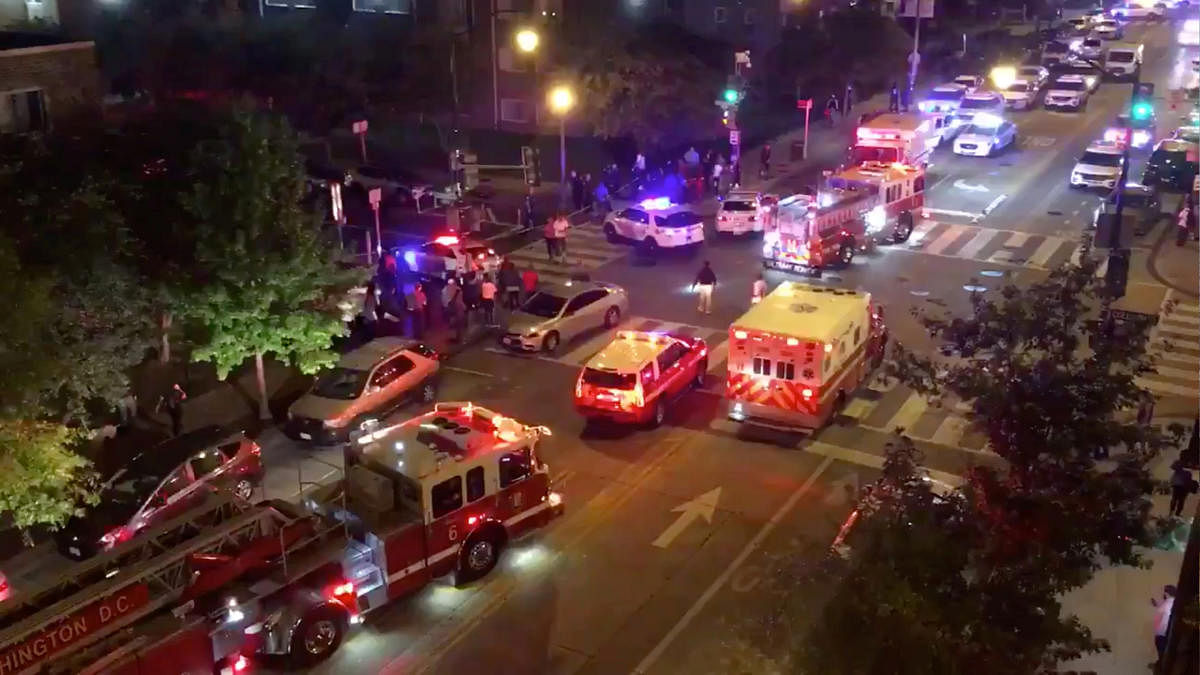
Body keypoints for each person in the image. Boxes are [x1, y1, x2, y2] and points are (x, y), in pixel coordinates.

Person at [1152, 585, 1176, 661]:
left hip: (1163, 633)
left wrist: (1160, 631)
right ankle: (1161, 664)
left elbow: (1166, 618)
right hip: (1165, 633)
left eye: (1164, 591)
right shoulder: (1169, 602)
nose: (1163, 593)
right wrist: (1155, 604)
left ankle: (1161, 666)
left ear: (1166, 593)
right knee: (1163, 651)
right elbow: (1160, 605)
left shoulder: (1168, 604)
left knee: (1162, 651)